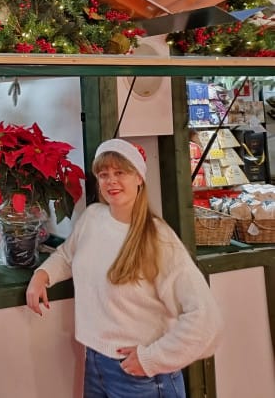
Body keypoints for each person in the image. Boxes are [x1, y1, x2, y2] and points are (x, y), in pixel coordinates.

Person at [25, 138, 222, 398]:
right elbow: (68, 255)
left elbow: (206, 319)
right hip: (95, 363)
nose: (111, 181)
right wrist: (43, 274)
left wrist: (153, 358)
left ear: (139, 177)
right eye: (103, 174)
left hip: (142, 379)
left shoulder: (158, 239)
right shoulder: (93, 218)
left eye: (120, 173)